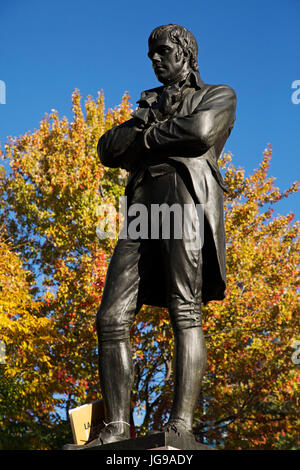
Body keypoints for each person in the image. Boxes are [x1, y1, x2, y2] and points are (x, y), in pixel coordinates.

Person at [66, 24, 236, 449]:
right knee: (110, 317)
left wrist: (144, 139)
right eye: (150, 55)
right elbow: (108, 148)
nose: (155, 60)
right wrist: (156, 134)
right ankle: (117, 427)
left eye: (162, 51)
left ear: (185, 52)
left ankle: (180, 426)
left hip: (184, 197)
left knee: (185, 309)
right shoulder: (147, 103)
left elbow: (200, 133)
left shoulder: (219, 94)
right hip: (142, 207)